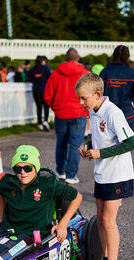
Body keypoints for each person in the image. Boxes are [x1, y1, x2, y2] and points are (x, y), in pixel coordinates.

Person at [75, 73, 134, 260]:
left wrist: (99, 153)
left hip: (117, 175)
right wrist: (87, 145)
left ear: (97, 94)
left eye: (84, 98)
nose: (81, 103)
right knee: (100, 219)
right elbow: (100, 137)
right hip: (102, 174)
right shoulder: (95, 111)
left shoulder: (112, 112)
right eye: (80, 99)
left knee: (109, 222)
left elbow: (130, 142)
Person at [0, 144, 83, 243]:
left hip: (37, 237)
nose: (23, 172)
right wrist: (1, 216)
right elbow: (0, 191)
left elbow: (77, 197)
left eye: (27, 168)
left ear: (35, 168)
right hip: (9, 233)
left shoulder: (48, 184)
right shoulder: (7, 182)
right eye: (18, 169)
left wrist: (62, 224)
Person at [44, 48, 89, 184]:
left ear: (65, 58)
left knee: (61, 144)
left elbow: (47, 95)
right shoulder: (85, 74)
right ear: (78, 59)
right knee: (75, 145)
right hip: (79, 113)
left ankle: (61, 172)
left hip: (61, 113)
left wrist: (56, 107)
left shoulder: (56, 73)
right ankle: (71, 175)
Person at [99, 45, 134, 135]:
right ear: (127, 57)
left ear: (114, 55)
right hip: (126, 116)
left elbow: (97, 95)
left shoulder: (105, 72)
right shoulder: (133, 74)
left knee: (106, 146)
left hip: (107, 115)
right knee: (125, 146)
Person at [29, 56, 51, 131]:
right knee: (46, 106)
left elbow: (30, 78)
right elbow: (50, 77)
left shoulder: (33, 69)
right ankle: (45, 121)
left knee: (39, 107)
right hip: (45, 90)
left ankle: (39, 123)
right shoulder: (46, 68)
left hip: (36, 90)